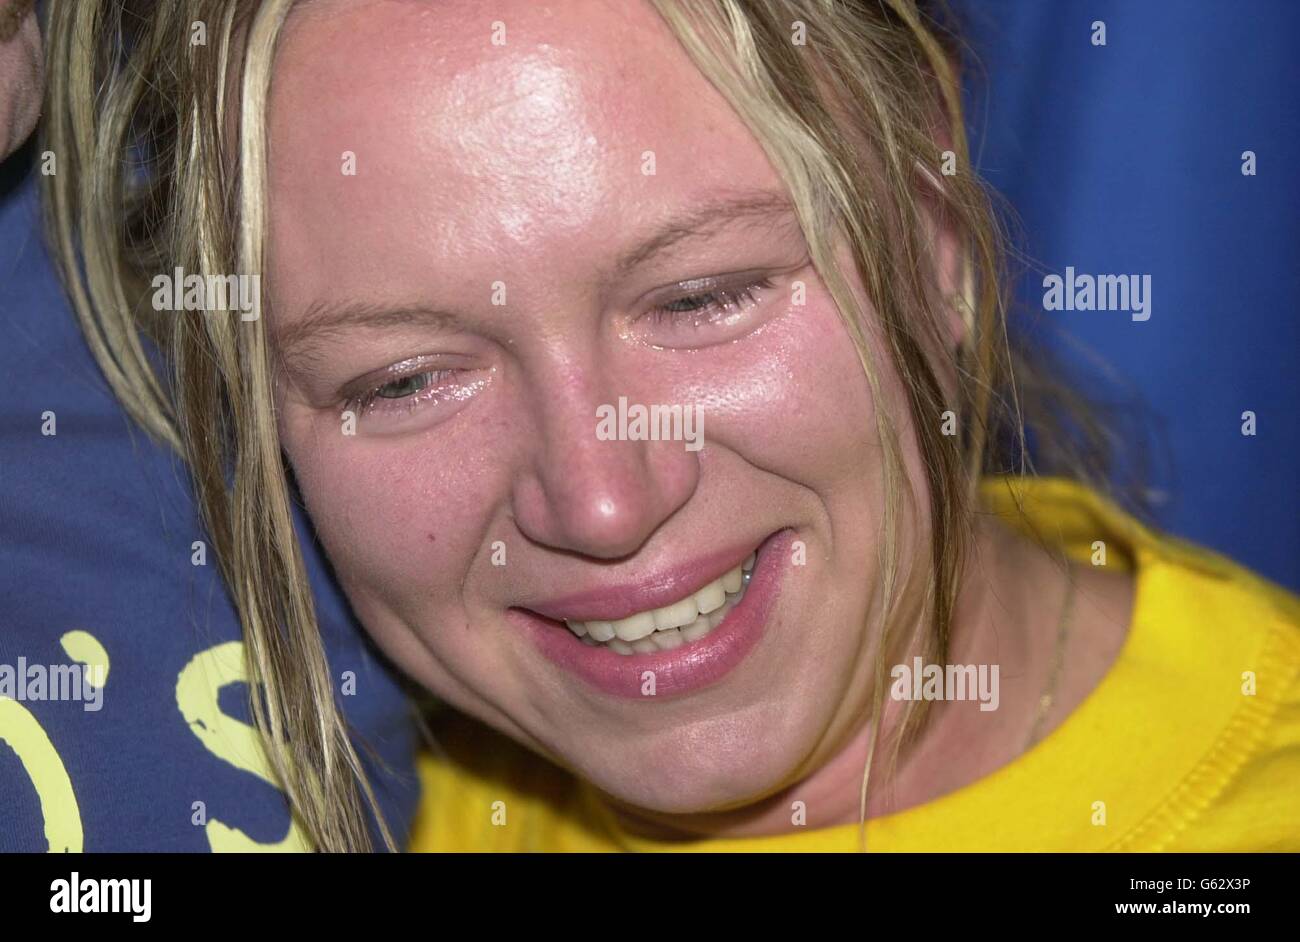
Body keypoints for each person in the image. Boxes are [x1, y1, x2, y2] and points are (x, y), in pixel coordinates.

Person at [30, 0, 1300, 852]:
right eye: (406, 380)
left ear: (932, 234)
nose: (599, 502)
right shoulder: (405, 780)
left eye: (702, 296)